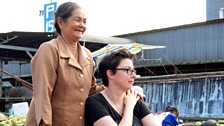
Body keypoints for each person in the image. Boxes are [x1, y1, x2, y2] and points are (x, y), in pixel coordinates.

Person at [25, 2, 104, 126]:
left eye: (84, 21)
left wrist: (120, 90)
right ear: (60, 22)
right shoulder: (49, 50)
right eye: (78, 20)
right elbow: (42, 94)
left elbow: (91, 90)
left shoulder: (87, 55)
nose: (82, 25)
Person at [85, 49, 161, 126]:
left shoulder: (135, 100)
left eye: (133, 70)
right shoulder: (95, 103)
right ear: (110, 74)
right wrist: (129, 106)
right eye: (128, 70)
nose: (134, 75)